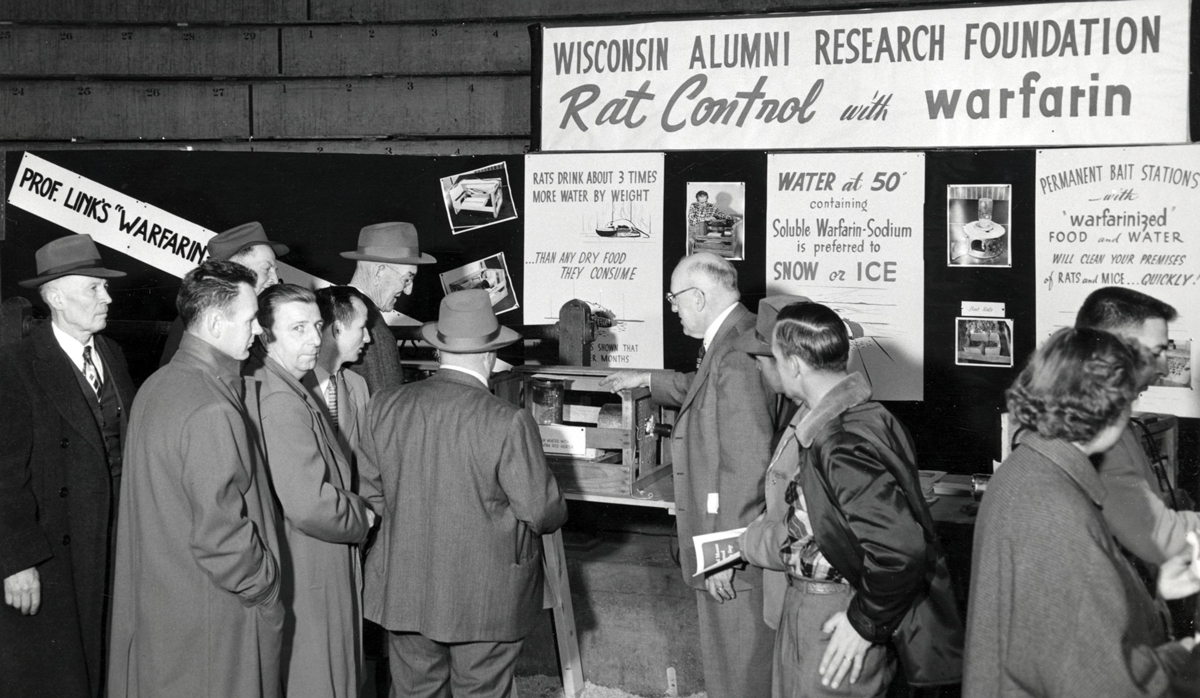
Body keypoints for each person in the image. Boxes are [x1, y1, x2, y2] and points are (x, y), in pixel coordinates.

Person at [964, 327, 1200, 696]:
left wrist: (1154, 598)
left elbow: (1059, 626)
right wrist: (1182, 655)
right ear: (1111, 406)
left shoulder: (1028, 468)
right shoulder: (1056, 509)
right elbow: (1098, 683)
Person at [359, 289, 567, 698]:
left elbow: (372, 495)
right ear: (490, 355)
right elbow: (541, 512)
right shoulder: (507, 420)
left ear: (439, 350)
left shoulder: (383, 405)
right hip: (486, 598)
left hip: (405, 589)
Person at [740, 302, 955, 696]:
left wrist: (863, 623)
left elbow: (900, 550)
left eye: (773, 355)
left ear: (794, 364)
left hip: (828, 611)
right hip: (831, 602)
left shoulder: (839, 440)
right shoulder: (868, 415)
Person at [600, 252, 776, 698]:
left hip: (732, 555)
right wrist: (650, 379)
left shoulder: (736, 356)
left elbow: (746, 467)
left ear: (698, 296)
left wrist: (724, 556)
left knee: (737, 672)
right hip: (731, 544)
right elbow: (704, 390)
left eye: (675, 298)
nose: (673, 306)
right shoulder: (736, 338)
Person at [108, 260, 284, 698]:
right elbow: (221, 536)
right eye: (250, 319)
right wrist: (267, 587)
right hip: (215, 623)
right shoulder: (211, 405)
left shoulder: (158, 384)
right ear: (215, 320)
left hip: (167, 613)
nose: (259, 330)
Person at [0, 234, 135, 698]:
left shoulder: (112, 354)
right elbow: (3, 478)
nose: (108, 298)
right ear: (55, 297)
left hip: (112, 541)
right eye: (94, 288)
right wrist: (17, 560)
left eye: (105, 288)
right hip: (52, 553)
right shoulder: (15, 365)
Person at [249, 284, 376, 698]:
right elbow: (308, 505)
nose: (314, 339)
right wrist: (363, 517)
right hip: (310, 565)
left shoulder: (287, 384)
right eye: (298, 328)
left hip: (311, 560)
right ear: (264, 334)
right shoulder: (280, 398)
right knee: (320, 678)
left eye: (317, 326)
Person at [1074, 287, 1200, 572]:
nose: (1165, 368)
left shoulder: (1104, 419)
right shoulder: (1096, 433)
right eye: (1156, 352)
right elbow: (1158, 537)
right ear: (1111, 351)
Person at [158, 220, 289, 366]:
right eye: (266, 269)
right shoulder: (195, 319)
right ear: (236, 268)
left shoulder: (250, 318)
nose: (275, 280)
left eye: (275, 271)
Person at [341, 221, 436, 394]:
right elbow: (386, 409)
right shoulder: (375, 332)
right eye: (407, 279)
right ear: (378, 272)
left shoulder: (332, 310)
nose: (409, 290)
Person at [309, 285, 373, 465]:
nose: (368, 338)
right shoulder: (292, 383)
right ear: (337, 329)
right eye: (362, 327)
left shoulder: (358, 385)